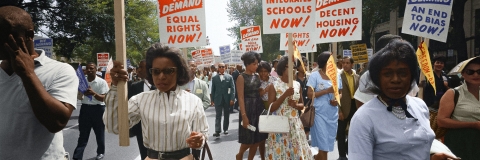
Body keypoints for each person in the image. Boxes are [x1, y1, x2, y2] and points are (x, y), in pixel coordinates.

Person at [348, 39, 458, 160]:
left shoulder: (420, 106)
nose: (396, 79)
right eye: (388, 74)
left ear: (411, 76)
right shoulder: (363, 118)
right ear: (377, 78)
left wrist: (433, 157)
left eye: (403, 73)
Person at [104, 43, 208, 160]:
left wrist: (200, 139)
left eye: (169, 71)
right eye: (156, 71)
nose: (161, 76)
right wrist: (115, 87)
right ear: (150, 73)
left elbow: (202, 132)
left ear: (179, 72)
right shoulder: (140, 100)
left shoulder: (194, 101)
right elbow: (115, 126)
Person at [0, 6, 78, 159]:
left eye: (3, 33)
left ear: (29, 35)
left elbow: (57, 122)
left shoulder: (60, 70)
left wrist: (28, 74)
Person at [265, 56, 313, 160]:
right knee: (282, 154)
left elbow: (302, 106)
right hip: (279, 125)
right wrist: (284, 95)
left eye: (294, 67)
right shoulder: (274, 85)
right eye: (290, 67)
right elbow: (271, 107)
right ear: (282, 68)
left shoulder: (297, 85)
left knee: (295, 153)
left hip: (295, 126)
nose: (293, 69)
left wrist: (295, 105)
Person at [438, 56, 480, 160]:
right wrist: (473, 125)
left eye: (479, 71)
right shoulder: (453, 93)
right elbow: (441, 121)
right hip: (460, 142)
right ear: (463, 74)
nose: (476, 75)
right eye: (470, 71)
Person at [307, 51, 342, 160]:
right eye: (330, 60)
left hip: (332, 115)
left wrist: (337, 99)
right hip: (319, 114)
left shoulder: (336, 76)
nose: (333, 62)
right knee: (323, 146)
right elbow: (309, 94)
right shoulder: (315, 76)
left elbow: (340, 93)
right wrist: (326, 91)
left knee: (326, 146)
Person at [73, 62, 110, 160]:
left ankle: (100, 152)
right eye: (88, 68)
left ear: (96, 69)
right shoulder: (82, 82)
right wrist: (81, 93)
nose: (89, 70)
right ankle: (77, 156)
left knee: (99, 133)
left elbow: (103, 98)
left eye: (92, 68)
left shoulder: (102, 82)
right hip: (85, 109)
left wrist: (93, 93)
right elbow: (78, 97)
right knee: (83, 135)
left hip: (98, 110)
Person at [236, 51, 268, 160]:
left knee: (257, 139)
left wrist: (266, 90)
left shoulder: (257, 76)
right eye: (254, 64)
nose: (256, 66)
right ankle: (240, 154)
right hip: (247, 109)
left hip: (258, 108)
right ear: (247, 64)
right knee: (248, 139)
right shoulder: (241, 77)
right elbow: (240, 97)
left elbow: (259, 93)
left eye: (257, 63)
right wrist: (244, 116)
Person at [178, 60, 211, 160]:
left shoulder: (202, 84)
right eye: (189, 66)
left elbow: (207, 101)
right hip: (182, 121)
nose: (192, 68)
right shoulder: (178, 84)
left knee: (196, 150)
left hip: (197, 122)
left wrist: (197, 110)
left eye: (193, 66)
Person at [127, 60, 155, 160]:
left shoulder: (161, 86)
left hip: (158, 128)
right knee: (144, 155)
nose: (138, 69)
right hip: (141, 129)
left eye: (141, 67)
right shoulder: (134, 86)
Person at [336, 56, 359, 160]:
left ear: (352, 64)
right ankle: (342, 155)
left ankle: (346, 147)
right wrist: (339, 110)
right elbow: (336, 94)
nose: (344, 65)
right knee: (340, 132)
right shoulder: (339, 76)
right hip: (343, 107)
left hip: (355, 105)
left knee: (355, 131)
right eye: (343, 63)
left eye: (347, 63)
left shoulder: (357, 77)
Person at [211, 63, 235, 137]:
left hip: (227, 99)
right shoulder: (214, 78)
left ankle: (225, 129)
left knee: (226, 115)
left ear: (225, 68)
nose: (221, 68)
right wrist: (212, 100)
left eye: (223, 67)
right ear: (218, 68)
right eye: (220, 67)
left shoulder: (229, 77)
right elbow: (213, 89)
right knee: (218, 115)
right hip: (218, 99)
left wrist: (232, 98)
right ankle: (217, 130)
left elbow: (232, 89)